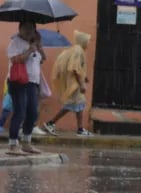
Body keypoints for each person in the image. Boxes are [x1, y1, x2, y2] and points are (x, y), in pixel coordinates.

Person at [6, 23, 47, 155]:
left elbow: (42, 59)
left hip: (33, 82)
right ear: (20, 29)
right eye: (26, 28)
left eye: (32, 29)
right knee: (20, 112)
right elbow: (16, 60)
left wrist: (39, 47)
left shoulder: (34, 43)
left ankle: (27, 142)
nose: (29, 31)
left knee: (32, 113)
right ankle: (12, 144)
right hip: (19, 82)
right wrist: (29, 50)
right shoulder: (15, 43)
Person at [43, 31, 92, 136]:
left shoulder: (76, 50)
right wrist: (81, 83)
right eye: (88, 41)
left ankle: (80, 128)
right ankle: (51, 123)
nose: (88, 43)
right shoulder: (78, 51)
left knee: (79, 105)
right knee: (72, 105)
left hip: (75, 83)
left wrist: (84, 77)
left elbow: (78, 67)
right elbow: (74, 68)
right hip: (74, 84)